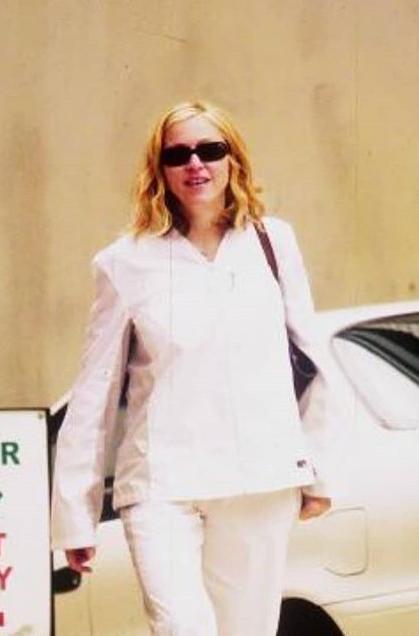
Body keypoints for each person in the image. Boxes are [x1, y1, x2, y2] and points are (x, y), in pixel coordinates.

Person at [51, 100, 338, 636]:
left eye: (210, 149)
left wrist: (317, 470)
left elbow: (311, 360)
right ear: (159, 169)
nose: (195, 164)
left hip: (260, 479)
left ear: (234, 160)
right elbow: (93, 393)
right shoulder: (125, 262)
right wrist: (75, 513)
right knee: (181, 626)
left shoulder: (273, 243)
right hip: (161, 484)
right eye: (177, 154)